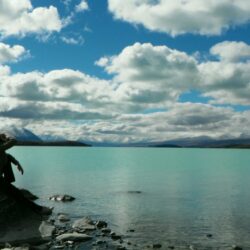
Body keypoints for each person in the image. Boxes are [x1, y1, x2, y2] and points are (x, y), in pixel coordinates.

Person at [0, 133, 52, 215]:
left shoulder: (2, 153)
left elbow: (8, 156)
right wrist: (7, 137)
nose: (3, 143)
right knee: (17, 193)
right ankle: (39, 209)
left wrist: (17, 163)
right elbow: (14, 141)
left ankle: (8, 183)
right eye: (2, 142)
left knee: (16, 192)